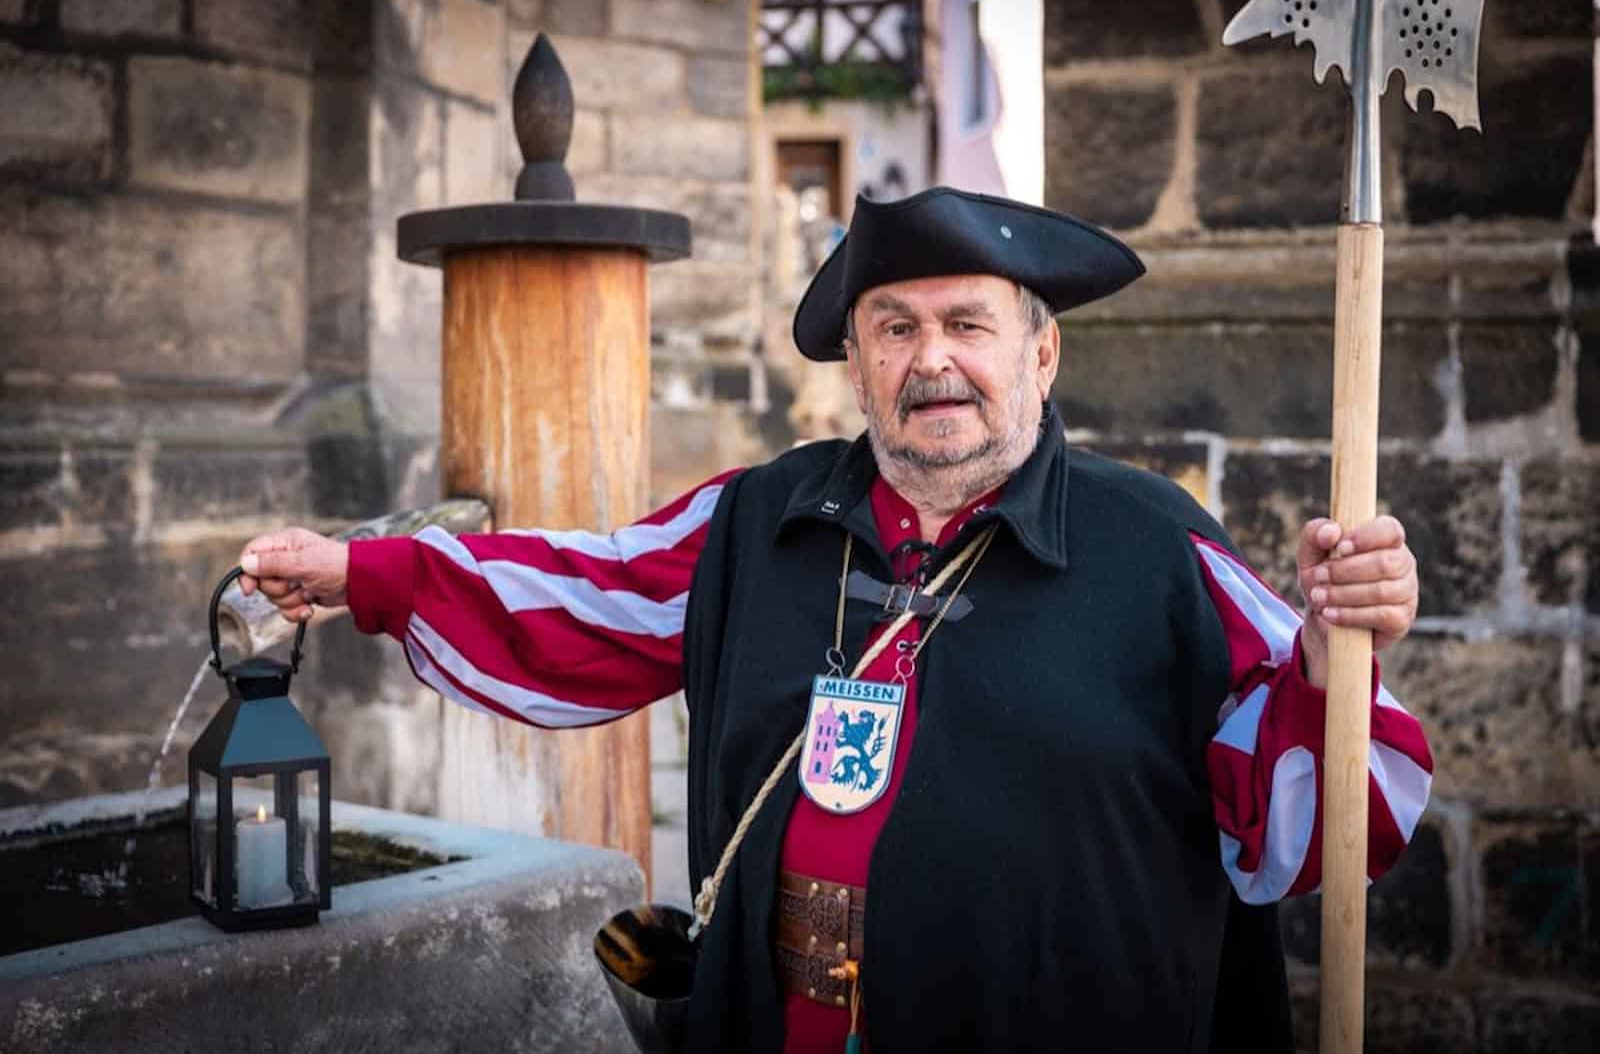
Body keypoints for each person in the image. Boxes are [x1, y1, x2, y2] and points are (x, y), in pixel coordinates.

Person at [239, 187, 1431, 1053]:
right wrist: (370, 571)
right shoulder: (761, 519)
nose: (934, 361)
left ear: (1041, 352)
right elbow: (585, 593)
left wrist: (1334, 653)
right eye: (895, 328)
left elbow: (1314, 804)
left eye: (968, 324)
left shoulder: (1157, 545)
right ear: (857, 368)